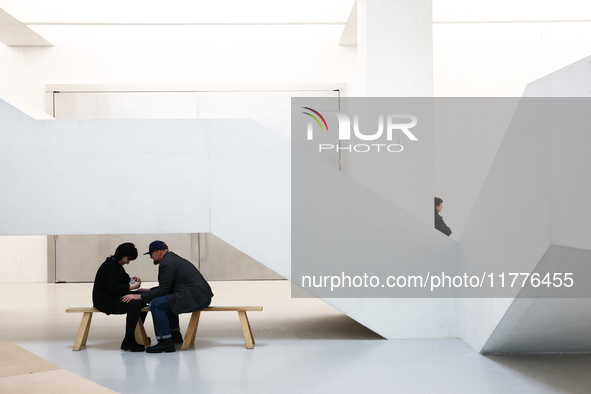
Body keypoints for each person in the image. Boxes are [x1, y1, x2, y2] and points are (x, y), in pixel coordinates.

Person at [123, 240, 213, 353]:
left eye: (151, 254)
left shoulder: (166, 264)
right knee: (168, 299)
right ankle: (174, 334)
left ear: (158, 252)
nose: (151, 257)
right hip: (199, 296)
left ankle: (165, 342)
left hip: (197, 298)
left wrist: (139, 296)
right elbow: (167, 287)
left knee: (157, 303)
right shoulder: (171, 259)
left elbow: (164, 289)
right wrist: (149, 290)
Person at [92, 242, 149, 352]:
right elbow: (115, 288)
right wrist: (134, 287)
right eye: (127, 259)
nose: (127, 263)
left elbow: (125, 280)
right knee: (135, 304)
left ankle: (137, 334)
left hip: (113, 297)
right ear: (121, 254)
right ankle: (129, 339)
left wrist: (135, 280)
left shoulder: (116, 265)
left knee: (143, 297)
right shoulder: (109, 266)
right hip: (105, 301)